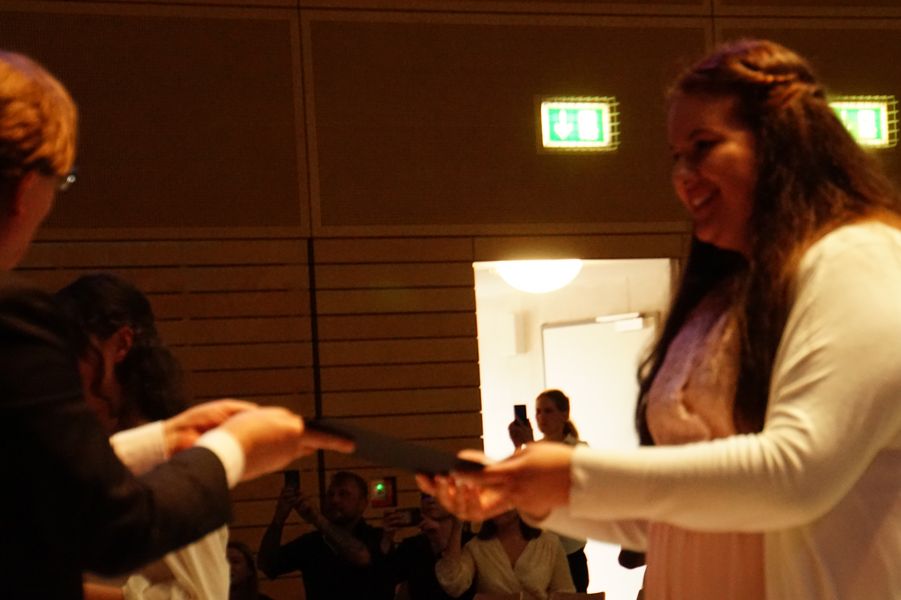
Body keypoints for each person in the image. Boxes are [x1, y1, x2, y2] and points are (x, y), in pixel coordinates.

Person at [420, 39, 901, 599]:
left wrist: (572, 474)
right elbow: (671, 525)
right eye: (676, 156)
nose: (683, 175)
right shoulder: (721, 300)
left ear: (783, 144)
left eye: (703, 146)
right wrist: (526, 495)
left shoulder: (859, 259)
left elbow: (794, 475)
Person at [0, 49, 352, 599]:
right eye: (62, 181)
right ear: (25, 190)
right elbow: (106, 527)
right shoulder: (12, 316)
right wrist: (232, 451)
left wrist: (166, 441)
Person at [55, 273, 229, 600]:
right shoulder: (93, 452)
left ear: (121, 344)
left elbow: (204, 595)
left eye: (72, 355)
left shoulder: (172, 460)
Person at [257, 470, 393, 600]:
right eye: (330, 494)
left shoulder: (378, 538)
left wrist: (317, 518)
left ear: (362, 504)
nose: (334, 500)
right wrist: (279, 518)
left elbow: (360, 556)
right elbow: (268, 565)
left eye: (343, 494)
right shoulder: (312, 543)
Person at [508, 389, 589, 592]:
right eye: (538, 412)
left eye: (548, 411)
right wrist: (518, 448)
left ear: (564, 414)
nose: (542, 417)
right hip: (538, 547)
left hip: (569, 548)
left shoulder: (578, 449)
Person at [434, 509, 574, 600]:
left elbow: (565, 594)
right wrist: (457, 526)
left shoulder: (549, 544)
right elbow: (454, 584)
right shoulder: (477, 547)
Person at [382, 493, 476, 600]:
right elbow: (384, 582)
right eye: (425, 495)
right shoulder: (412, 546)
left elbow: (464, 590)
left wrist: (441, 540)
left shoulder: (472, 544)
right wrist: (386, 539)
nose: (431, 500)